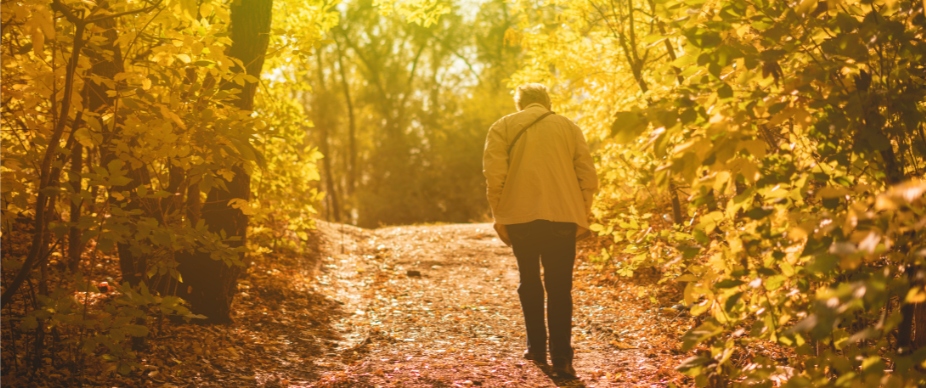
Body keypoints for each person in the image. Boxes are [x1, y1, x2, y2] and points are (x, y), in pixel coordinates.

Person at [482, 83, 598, 377]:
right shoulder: (569, 127)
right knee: (560, 287)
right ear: (547, 102)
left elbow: (495, 174)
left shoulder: (503, 126)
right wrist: (581, 210)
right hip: (563, 216)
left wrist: (500, 214)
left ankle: (536, 347)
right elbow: (587, 173)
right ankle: (562, 358)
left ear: (520, 104)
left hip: (520, 217)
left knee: (529, 280)